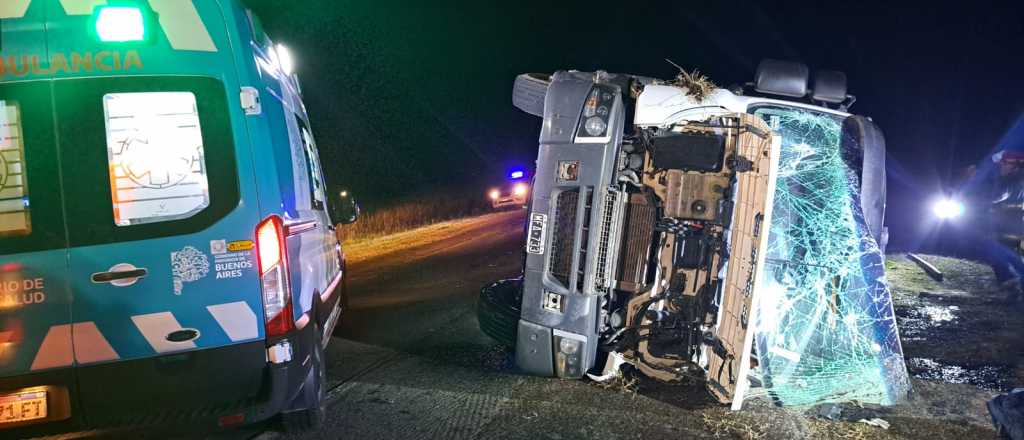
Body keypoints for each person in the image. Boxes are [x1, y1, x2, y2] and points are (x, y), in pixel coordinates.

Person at [985, 150, 1024, 302]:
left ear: (1014, 165)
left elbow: (999, 196)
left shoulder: (1013, 181)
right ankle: (1012, 288)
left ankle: (1012, 287)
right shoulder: (1011, 179)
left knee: (1000, 254)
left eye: (1004, 163)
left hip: (1013, 227)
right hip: (1008, 226)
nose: (1001, 166)